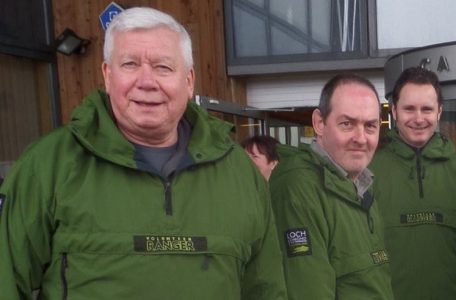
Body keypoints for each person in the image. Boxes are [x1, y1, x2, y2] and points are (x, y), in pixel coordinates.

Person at [0, 7, 286, 299]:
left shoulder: (239, 174)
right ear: (108, 75)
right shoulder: (49, 166)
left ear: (188, 82)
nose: (146, 82)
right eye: (130, 64)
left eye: (163, 67)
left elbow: (266, 289)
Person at [268, 74, 392, 299]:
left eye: (370, 126)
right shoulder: (299, 188)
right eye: (347, 124)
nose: (361, 138)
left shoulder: (360, 185)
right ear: (319, 123)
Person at [369, 67, 456, 299]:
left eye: (427, 109)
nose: (418, 118)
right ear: (394, 112)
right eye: (409, 109)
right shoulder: (368, 171)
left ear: (439, 112)